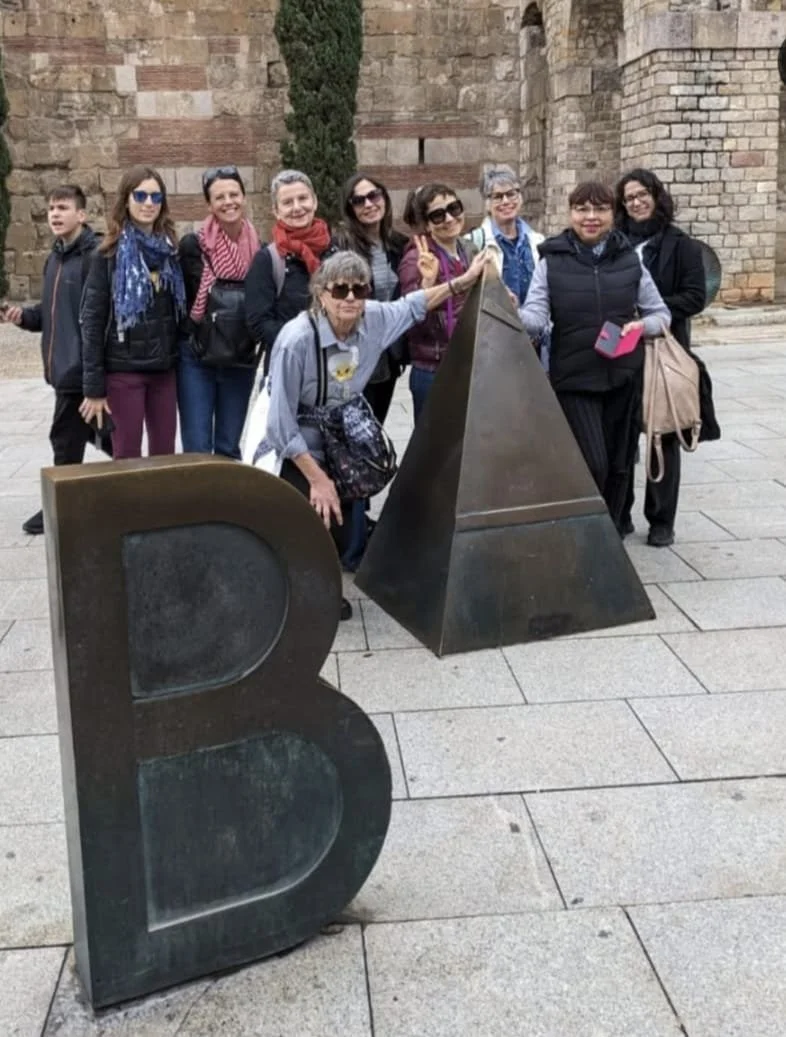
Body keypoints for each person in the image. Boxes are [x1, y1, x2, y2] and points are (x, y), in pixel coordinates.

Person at [265, 247, 490, 620]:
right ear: (321, 294)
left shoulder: (374, 318)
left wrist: (464, 281)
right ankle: (295, 593)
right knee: (311, 511)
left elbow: (417, 303)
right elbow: (279, 424)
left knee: (345, 510)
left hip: (344, 426)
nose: (351, 298)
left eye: (359, 289)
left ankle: (325, 585)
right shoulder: (295, 340)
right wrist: (318, 478)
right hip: (300, 434)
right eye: (340, 290)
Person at [518, 181, 671, 531]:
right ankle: (587, 533)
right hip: (574, 380)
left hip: (624, 376)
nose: (590, 217)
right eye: (582, 209)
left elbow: (660, 313)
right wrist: (511, 306)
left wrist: (641, 326)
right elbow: (536, 320)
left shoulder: (630, 260)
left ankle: (611, 536)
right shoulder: (551, 261)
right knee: (594, 463)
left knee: (619, 465)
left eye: (599, 209)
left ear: (612, 214)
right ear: (570, 213)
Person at [0, 185, 105, 535]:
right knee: (105, 436)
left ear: (82, 214)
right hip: (63, 370)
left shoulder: (93, 257)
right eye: (50, 209)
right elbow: (50, 313)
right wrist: (22, 317)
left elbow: (97, 319)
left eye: (63, 208)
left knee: (64, 438)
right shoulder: (56, 258)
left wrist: (94, 376)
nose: (55, 214)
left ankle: (59, 509)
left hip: (81, 372)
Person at [615, 168, 708, 547]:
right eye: (629, 198)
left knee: (664, 434)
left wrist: (650, 313)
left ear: (656, 196)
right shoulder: (615, 242)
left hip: (662, 350)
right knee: (620, 436)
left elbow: (694, 296)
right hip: (621, 351)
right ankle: (620, 514)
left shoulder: (680, 245)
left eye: (642, 195)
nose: (636, 202)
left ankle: (661, 520)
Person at [80, 166, 185, 459]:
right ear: (126, 200)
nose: (148, 203)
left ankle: (159, 506)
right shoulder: (106, 255)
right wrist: (94, 389)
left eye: (155, 196)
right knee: (126, 455)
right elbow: (91, 322)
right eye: (140, 195)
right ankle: (128, 508)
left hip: (164, 371)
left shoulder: (171, 251)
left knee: (164, 455)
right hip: (124, 372)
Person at [178, 165, 261, 458]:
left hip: (240, 354)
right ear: (209, 205)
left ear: (244, 197)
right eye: (220, 197)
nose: (228, 202)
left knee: (228, 445)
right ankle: (198, 504)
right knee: (198, 446)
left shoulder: (259, 249)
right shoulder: (193, 245)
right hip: (198, 356)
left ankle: (226, 504)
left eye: (234, 194)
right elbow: (183, 301)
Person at [333, 173, 409, 426]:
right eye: (358, 200)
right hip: (357, 352)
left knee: (377, 426)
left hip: (388, 352)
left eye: (373, 196)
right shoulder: (343, 246)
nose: (368, 204)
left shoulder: (398, 244)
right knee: (355, 430)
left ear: (384, 198)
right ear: (350, 208)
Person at [399, 183, 476, 423]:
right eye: (438, 215)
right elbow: (410, 320)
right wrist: (428, 282)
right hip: (434, 370)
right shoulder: (416, 259)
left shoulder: (468, 250)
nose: (450, 218)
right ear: (427, 223)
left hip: (466, 364)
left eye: (454, 208)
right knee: (434, 451)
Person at [245, 170, 335, 370]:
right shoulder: (268, 259)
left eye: (302, 198)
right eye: (287, 202)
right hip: (288, 365)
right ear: (276, 211)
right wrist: (305, 342)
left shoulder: (336, 250)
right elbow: (258, 322)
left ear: (315, 202)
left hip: (335, 364)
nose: (297, 207)